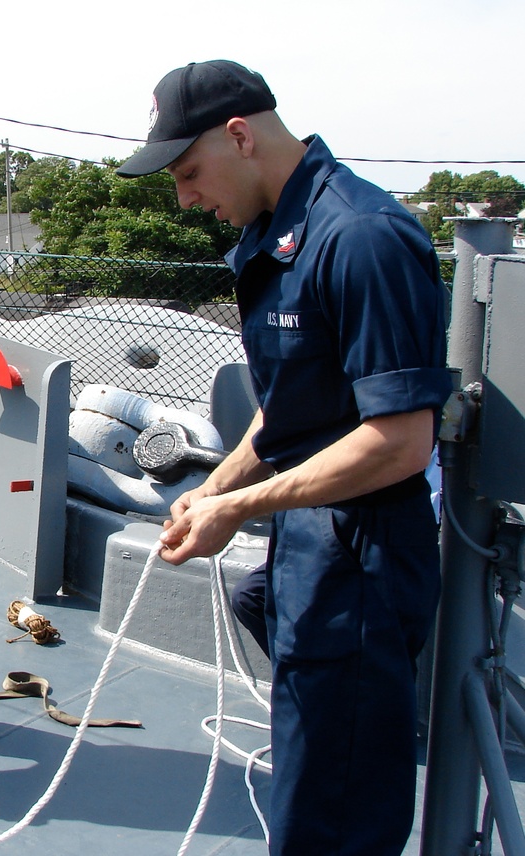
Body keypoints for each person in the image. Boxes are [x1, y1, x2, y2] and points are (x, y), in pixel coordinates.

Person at [117, 61, 451, 855]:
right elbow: (295, 399)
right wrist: (220, 487)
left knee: (326, 817)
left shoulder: (360, 238)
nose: (185, 198)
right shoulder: (277, 235)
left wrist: (239, 508)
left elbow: (400, 443)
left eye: (190, 172)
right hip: (313, 540)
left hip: (363, 556)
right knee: (296, 726)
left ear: (240, 135)